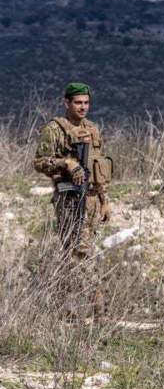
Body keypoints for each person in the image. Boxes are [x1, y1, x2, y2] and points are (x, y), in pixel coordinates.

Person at [33, 82, 113, 261]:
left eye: (86, 102)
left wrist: (104, 201)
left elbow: (98, 168)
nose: (83, 107)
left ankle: (75, 278)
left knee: (88, 250)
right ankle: (69, 277)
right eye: (78, 102)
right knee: (75, 251)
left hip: (92, 199)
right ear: (66, 103)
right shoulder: (54, 129)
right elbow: (39, 162)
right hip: (70, 199)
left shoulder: (92, 129)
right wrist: (66, 163)